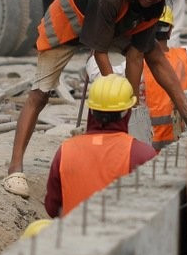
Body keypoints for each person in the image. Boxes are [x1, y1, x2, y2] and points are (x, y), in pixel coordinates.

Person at [3, 0, 187, 198]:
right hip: (67, 22)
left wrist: (130, 104)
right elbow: (99, 51)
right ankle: (14, 168)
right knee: (39, 95)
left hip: (109, 24)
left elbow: (136, 56)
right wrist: (115, 92)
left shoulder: (154, 5)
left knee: (153, 52)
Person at [83, 7, 187, 149]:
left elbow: (99, 76)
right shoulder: (186, 56)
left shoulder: (133, 66)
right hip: (179, 143)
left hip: (146, 144)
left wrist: (93, 54)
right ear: (171, 31)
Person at [43, 74, 157, 218]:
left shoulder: (66, 150)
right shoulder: (142, 154)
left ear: (91, 110)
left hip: (73, 237)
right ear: (127, 112)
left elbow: (52, 208)